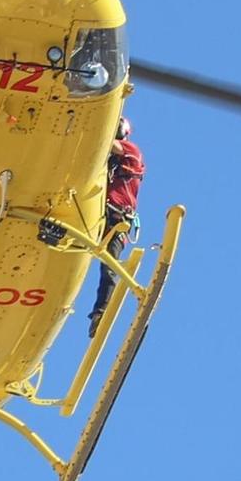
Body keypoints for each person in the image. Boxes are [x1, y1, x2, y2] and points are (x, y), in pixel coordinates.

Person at [88, 116, 146, 336]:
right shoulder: (107, 163)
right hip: (99, 214)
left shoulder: (132, 151)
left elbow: (110, 144)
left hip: (116, 220)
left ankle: (100, 312)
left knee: (109, 267)